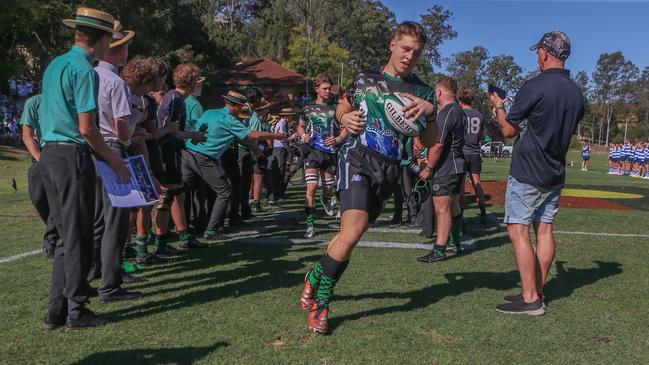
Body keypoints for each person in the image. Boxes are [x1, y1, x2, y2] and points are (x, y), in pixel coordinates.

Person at [299, 21, 438, 333]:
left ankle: (315, 276)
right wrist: (343, 116)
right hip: (357, 158)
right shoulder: (366, 80)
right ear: (392, 45)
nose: (409, 57)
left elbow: (430, 140)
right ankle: (322, 306)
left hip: (390, 169)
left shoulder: (423, 92)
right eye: (405, 49)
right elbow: (341, 108)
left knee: (351, 236)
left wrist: (430, 111)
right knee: (352, 231)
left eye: (415, 53)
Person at [40, 7, 131, 330]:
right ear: (105, 39)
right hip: (71, 156)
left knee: (67, 235)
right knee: (78, 235)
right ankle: (77, 310)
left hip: (49, 154)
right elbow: (87, 128)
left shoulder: (55, 65)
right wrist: (115, 160)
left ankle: (57, 310)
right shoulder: (84, 70)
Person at [489, 31, 585, 315]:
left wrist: (499, 108)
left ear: (545, 52)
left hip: (528, 169)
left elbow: (508, 131)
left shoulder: (535, 85)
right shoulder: (576, 93)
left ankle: (530, 298)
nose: (537, 57)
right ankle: (536, 292)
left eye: (538, 52)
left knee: (518, 230)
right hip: (554, 171)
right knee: (544, 229)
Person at [87, 20, 144, 302]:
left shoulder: (91, 76)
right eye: (125, 48)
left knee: (99, 219)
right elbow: (123, 131)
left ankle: (99, 271)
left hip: (93, 149)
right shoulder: (116, 82)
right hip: (113, 149)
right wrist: (137, 117)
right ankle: (110, 284)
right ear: (117, 51)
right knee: (115, 221)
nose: (127, 54)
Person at [181, 91, 286, 240]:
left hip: (187, 153)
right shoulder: (229, 120)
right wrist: (277, 136)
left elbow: (241, 138)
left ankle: (185, 232)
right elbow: (253, 135)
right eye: (242, 107)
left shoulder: (210, 112)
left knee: (186, 193)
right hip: (204, 158)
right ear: (236, 107)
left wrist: (257, 151)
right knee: (224, 192)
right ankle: (212, 230)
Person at [154, 63, 207, 254]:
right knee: (167, 196)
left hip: (170, 151)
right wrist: (195, 136)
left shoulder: (175, 97)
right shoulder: (176, 99)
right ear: (190, 81)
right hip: (167, 152)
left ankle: (183, 235)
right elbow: (173, 132)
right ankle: (160, 241)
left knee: (177, 195)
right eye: (196, 80)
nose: (198, 84)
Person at [416, 77, 466, 262]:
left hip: (446, 168)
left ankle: (439, 250)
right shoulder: (459, 110)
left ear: (439, 93)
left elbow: (438, 145)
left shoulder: (447, 112)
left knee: (442, 209)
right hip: (457, 166)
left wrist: (428, 168)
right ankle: (455, 242)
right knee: (453, 206)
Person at [297, 74, 349, 238]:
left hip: (330, 152)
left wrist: (338, 138)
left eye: (329, 88)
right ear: (316, 89)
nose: (327, 91)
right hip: (312, 152)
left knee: (328, 189)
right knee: (311, 187)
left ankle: (326, 199)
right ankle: (310, 225)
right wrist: (304, 136)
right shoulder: (307, 108)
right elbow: (300, 126)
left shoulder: (337, 108)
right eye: (324, 88)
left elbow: (346, 128)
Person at [20, 94, 60, 259]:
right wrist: (40, 158)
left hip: (62, 152)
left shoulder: (63, 99)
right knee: (38, 197)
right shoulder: (34, 102)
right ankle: (55, 230)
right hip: (42, 155)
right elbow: (27, 135)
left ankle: (51, 239)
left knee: (58, 198)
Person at [457, 89, 487, 223]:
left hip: (462, 152)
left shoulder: (459, 113)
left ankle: (461, 215)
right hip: (475, 152)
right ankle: (483, 213)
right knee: (477, 183)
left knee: (461, 185)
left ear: (460, 101)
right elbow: (482, 136)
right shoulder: (479, 115)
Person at [267, 108, 294, 204]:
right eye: (290, 115)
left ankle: (278, 194)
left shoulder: (284, 124)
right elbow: (282, 140)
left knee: (284, 172)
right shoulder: (281, 124)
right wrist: (292, 137)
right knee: (279, 172)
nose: (292, 116)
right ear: (286, 116)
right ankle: (275, 194)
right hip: (279, 149)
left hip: (283, 149)